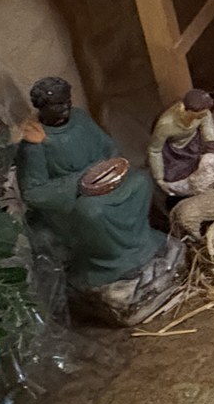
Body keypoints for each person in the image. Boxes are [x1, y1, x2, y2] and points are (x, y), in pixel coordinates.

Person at [16, 77, 167, 291]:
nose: (65, 107)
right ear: (42, 107)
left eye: (67, 101)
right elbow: (33, 192)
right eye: (57, 104)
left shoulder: (80, 118)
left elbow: (108, 147)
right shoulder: (35, 143)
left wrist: (111, 168)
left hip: (105, 181)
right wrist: (80, 183)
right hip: (75, 199)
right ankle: (112, 262)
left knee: (141, 182)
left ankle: (142, 243)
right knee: (93, 212)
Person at [147, 88, 214, 196]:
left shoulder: (203, 113)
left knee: (206, 160)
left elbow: (207, 124)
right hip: (173, 151)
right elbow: (154, 150)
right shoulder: (166, 124)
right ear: (189, 111)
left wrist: (211, 140)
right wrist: (159, 178)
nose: (204, 115)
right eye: (200, 114)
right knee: (173, 175)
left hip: (193, 141)